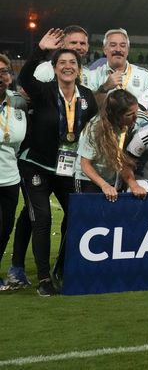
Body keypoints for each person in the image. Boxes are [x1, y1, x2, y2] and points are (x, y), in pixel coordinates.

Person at [11, 29, 99, 296]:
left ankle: (62, 268)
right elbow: (24, 78)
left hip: (66, 168)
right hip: (35, 165)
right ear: (54, 68)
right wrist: (40, 50)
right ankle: (43, 279)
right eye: (62, 63)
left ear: (79, 68)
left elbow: (91, 129)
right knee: (43, 219)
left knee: (76, 215)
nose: (68, 67)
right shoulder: (43, 92)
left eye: (72, 62)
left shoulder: (86, 97)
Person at [75, 89, 138, 201]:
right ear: (116, 115)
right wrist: (104, 185)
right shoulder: (95, 128)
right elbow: (85, 164)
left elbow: (123, 160)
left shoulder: (129, 125)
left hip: (112, 178)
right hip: (89, 179)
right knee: (88, 216)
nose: (135, 117)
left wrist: (133, 184)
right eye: (129, 114)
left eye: (136, 112)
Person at [0, 55, 27, 289]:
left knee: (4, 229)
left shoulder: (18, 103)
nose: (0, 77)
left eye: (3, 72)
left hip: (10, 178)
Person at [89, 28, 148, 101]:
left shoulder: (144, 75)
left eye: (123, 46)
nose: (118, 49)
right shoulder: (93, 76)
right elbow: (87, 108)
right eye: (113, 45)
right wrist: (105, 87)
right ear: (105, 50)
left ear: (127, 50)